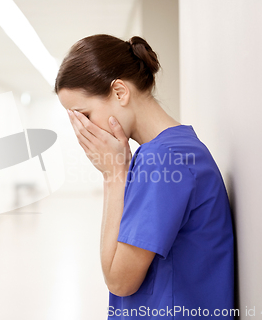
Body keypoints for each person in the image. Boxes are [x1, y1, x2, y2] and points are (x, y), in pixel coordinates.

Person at [54, 34, 235, 319]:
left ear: (120, 92)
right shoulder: (166, 151)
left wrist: (113, 175)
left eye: (85, 115)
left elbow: (120, 281)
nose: (83, 130)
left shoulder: (163, 161)